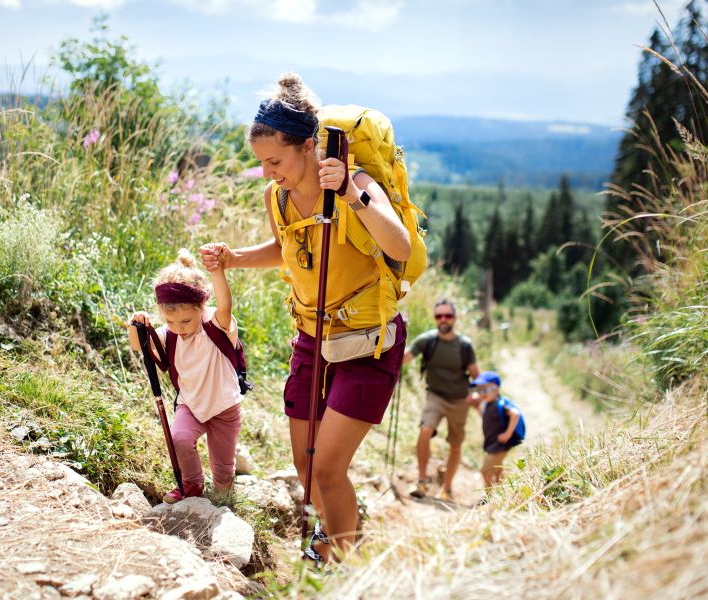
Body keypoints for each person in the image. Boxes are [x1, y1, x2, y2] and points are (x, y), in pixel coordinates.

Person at [199, 73, 410, 564]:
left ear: (309, 146)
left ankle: (341, 563)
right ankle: (335, 540)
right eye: (262, 163)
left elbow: (398, 245)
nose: (269, 172)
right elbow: (286, 248)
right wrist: (233, 258)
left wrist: (354, 198)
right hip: (312, 338)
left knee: (329, 468)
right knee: (305, 464)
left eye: (275, 160)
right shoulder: (278, 196)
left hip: (367, 343)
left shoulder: (355, 183)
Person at [128, 247, 242, 503]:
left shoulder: (215, 324)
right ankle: (192, 485)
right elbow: (139, 346)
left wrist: (217, 271)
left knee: (223, 467)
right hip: (190, 403)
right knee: (180, 438)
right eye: (170, 322)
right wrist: (135, 325)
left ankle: (224, 495)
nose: (179, 329)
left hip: (224, 407)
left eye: (186, 321)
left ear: (202, 307)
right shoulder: (169, 336)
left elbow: (225, 304)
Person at [402, 299, 480, 501]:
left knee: (455, 445)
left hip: (459, 400)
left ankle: (447, 487)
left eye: (448, 315)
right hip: (435, 396)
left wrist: (480, 397)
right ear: (435, 318)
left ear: (455, 318)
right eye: (439, 316)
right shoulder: (427, 341)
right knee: (425, 430)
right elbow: (405, 357)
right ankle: (422, 481)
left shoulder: (464, 345)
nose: (443, 319)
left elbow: (476, 375)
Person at [468, 370, 525, 489]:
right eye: (479, 390)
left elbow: (515, 414)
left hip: (500, 445)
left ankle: (490, 496)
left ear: (496, 389)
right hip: (493, 444)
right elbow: (487, 418)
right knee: (498, 469)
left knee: (485, 471)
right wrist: (476, 408)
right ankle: (503, 491)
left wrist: (507, 434)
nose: (482, 393)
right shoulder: (488, 404)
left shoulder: (501, 403)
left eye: (485, 390)